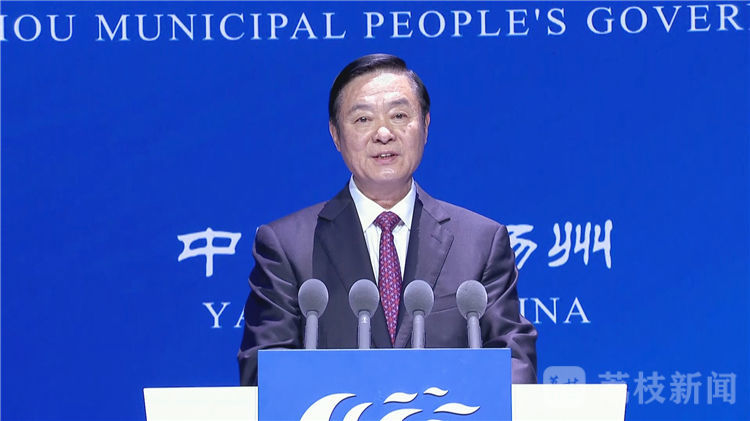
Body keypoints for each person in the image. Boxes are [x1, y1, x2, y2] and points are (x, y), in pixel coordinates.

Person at [238, 53, 537, 385]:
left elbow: (514, 362)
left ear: (425, 126)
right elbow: (264, 371)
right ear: (335, 135)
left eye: (399, 115)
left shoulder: (480, 242)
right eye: (363, 119)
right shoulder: (287, 246)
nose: (383, 133)